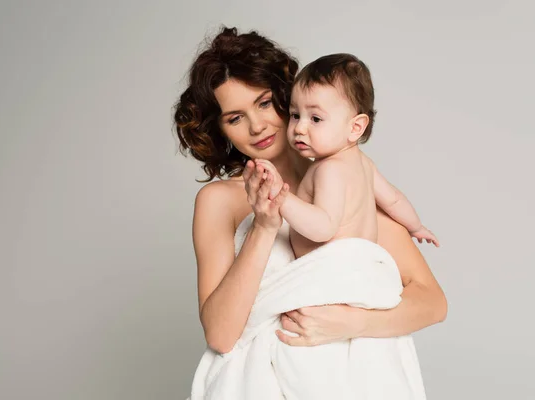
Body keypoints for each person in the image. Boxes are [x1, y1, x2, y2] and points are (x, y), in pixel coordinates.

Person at [174, 25, 446, 361]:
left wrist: (353, 323)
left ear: (287, 99)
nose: (256, 126)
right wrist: (264, 224)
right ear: (222, 130)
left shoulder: (347, 179)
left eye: (264, 103)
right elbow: (220, 335)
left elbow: (432, 302)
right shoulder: (220, 202)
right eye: (235, 118)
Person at [255, 53, 438, 261]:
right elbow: (394, 200)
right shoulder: (365, 164)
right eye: (295, 115)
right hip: (365, 264)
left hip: (334, 271)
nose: (300, 128)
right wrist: (416, 226)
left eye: (315, 118)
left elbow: (323, 228)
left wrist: (281, 196)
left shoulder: (328, 169)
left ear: (356, 127)